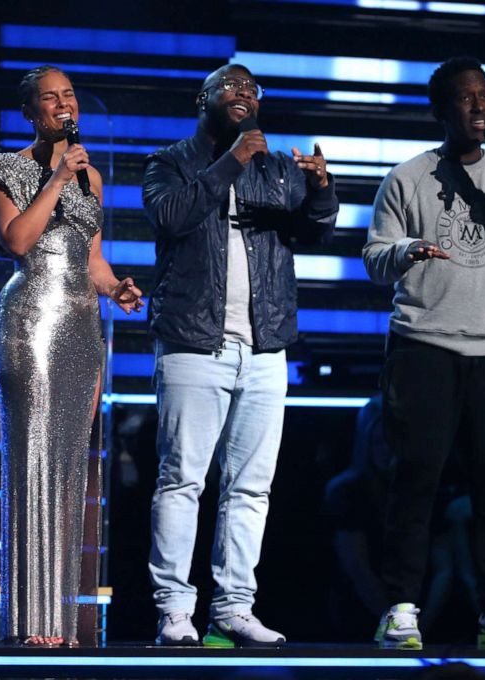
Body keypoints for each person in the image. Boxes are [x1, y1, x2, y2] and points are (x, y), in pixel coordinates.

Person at [143, 64, 339, 647]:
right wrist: (230, 164)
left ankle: (233, 607)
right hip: (192, 342)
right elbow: (171, 216)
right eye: (231, 87)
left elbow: (317, 233)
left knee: (251, 487)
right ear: (202, 100)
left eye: (253, 88)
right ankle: (175, 611)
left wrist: (324, 190)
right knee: (182, 481)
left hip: (263, 345)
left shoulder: (279, 169)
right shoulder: (170, 162)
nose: (244, 94)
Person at [362, 55, 485, 651]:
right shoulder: (408, 177)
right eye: (466, 98)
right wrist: (409, 249)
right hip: (424, 346)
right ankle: (402, 606)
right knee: (417, 479)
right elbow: (373, 256)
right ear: (440, 110)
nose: (479, 107)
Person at [0, 65, 143, 647]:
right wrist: (54, 180)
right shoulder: (3, 169)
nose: (63, 105)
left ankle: (59, 623)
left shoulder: (90, 176)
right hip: (30, 322)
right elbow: (16, 242)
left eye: (68, 95)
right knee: (32, 464)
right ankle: (27, 621)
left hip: (80, 327)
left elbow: (90, 262)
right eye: (51, 98)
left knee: (70, 469)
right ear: (31, 113)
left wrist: (116, 287)